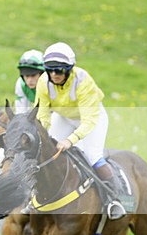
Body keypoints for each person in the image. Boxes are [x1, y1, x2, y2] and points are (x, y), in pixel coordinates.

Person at [35, 42, 126, 219]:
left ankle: (115, 199)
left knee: (92, 155)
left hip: (92, 118)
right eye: (50, 70)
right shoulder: (43, 82)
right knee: (46, 152)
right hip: (64, 117)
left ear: (69, 69)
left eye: (59, 70)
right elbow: (43, 116)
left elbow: (89, 120)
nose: (54, 74)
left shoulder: (83, 81)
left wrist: (70, 140)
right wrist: (42, 137)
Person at [13, 49, 45, 113]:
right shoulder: (21, 84)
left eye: (33, 75)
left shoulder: (49, 84)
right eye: (26, 76)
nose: (29, 80)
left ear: (42, 74)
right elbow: (21, 112)